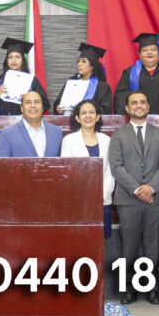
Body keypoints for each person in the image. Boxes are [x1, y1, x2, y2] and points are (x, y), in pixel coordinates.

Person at [108, 90, 159, 305]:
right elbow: (116, 167)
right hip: (128, 199)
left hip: (156, 197)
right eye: (134, 103)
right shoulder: (118, 134)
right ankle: (128, 289)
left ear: (148, 106)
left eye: (142, 102)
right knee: (130, 246)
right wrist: (137, 189)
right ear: (127, 108)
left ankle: (152, 288)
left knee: (153, 245)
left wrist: (151, 188)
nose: (138, 106)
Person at [61, 100, 115, 239]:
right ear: (77, 118)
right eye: (83, 113)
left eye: (92, 112)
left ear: (97, 117)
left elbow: (110, 170)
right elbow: (67, 172)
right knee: (80, 239)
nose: (88, 116)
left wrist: (104, 193)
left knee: (100, 240)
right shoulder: (69, 140)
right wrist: (82, 196)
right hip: (78, 200)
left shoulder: (106, 140)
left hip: (102, 199)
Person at [113, 32, 159, 115]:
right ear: (139, 54)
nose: (149, 52)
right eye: (145, 50)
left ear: (158, 52)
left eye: (153, 49)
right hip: (137, 121)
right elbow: (121, 98)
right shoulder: (129, 73)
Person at [0, 90, 63, 157]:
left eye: (37, 102)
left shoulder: (56, 132)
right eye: (28, 102)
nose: (33, 105)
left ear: (42, 107)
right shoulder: (7, 135)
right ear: (22, 108)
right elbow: (2, 166)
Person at [53, 42, 113, 116]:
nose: (79, 64)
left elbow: (106, 111)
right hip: (68, 122)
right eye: (79, 61)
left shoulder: (102, 87)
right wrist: (58, 109)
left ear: (92, 65)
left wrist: (85, 109)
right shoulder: (71, 82)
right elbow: (58, 103)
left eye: (84, 61)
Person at [0, 37, 49, 116]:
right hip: (2, 123)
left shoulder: (31, 81)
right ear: (7, 60)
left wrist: (30, 99)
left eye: (17, 57)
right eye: (10, 57)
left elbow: (45, 104)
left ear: (23, 60)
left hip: (25, 123)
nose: (13, 60)